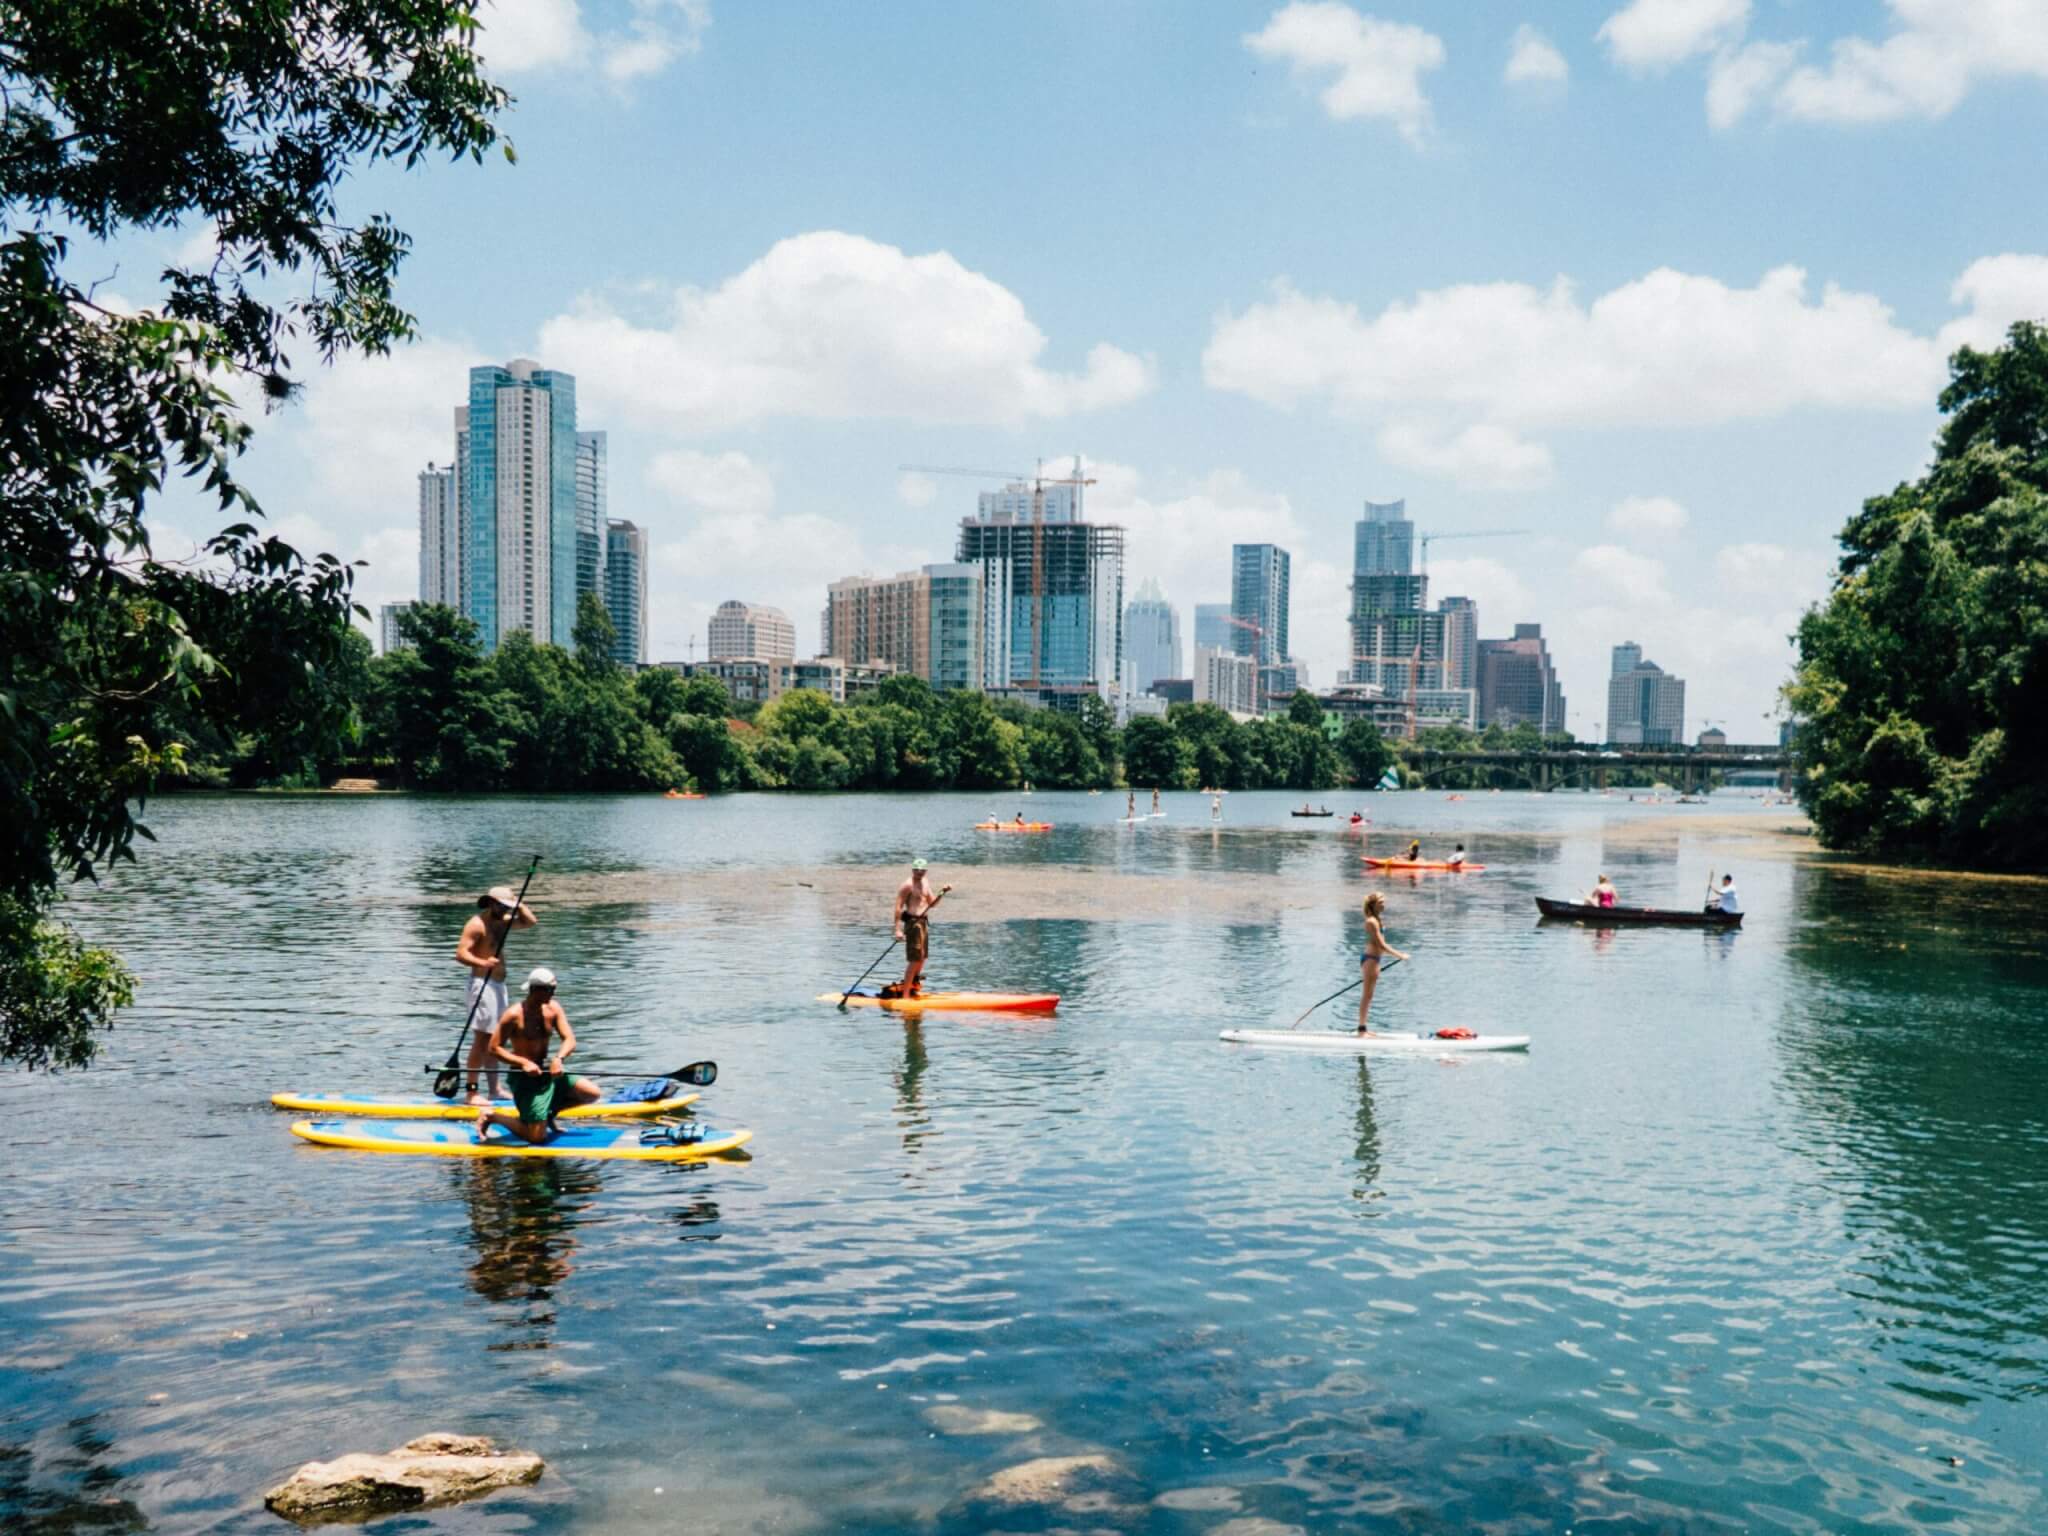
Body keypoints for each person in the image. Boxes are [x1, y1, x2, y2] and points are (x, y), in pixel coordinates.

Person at [475, 968, 599, 1144]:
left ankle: (546, 1115)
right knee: (537, 1137)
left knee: (591, 1093)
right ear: (535, 990)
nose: (553, 994)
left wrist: (559, 1058)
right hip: (524, 1078)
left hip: (548, 1071)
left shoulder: (553, 1008)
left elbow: (570, 1039)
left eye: (554, 989)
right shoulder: (513, 1015)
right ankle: (492, 1116)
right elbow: (494, 1048)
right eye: (550, 990)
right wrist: (523, 1062)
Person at [456, 883, 537, 1107]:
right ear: (490, 903)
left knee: (495, 1039)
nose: (505, 910)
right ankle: (472, 1092)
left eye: (507, 906)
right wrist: (483, 962)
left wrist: (519, 905)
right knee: (481, 1039)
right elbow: (461, 954)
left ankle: (494, 1090)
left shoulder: (503, 922)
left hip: (498, 985)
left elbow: (530, 922)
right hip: (482, 984)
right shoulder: (476, 925)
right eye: (501, 906)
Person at [886, 857, 952, 998]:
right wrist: (897, 929)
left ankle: (912, 986)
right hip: (913, 924)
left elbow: (932, 904)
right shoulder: (907, 885)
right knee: (915, 959)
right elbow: (898, 907)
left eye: (922, 870)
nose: (919, 873)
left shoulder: (926, 882)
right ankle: (905, 995)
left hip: (923, 923)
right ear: (913, 870)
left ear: (926, 871)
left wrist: (942, 892)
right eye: (917, 870)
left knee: (922, 957)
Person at [1357, 892, 1410, 1035]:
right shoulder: (1371, 922)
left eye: (1384, 902)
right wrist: (1401, 955)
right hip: (1370, 960)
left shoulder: (1377, 919)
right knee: (1366, 995)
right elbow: (1381, 945)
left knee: (1369, 995)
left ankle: (1364, 1028)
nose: (1384, 905)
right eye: (1381, 902)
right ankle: (1361, 1030)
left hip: (1375, 960)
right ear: (1374, 904)